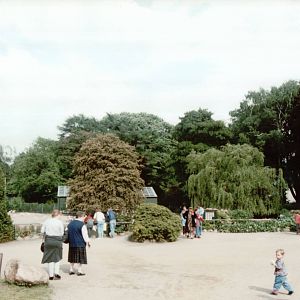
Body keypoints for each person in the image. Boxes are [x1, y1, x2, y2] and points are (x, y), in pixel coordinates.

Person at [41, 209, 64, 280]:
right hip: (57, 241)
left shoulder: (47, 221)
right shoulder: (59, 222)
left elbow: (42, 231)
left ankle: (51, 275)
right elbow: (62, 233)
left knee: (50, 257)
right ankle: (56, 273)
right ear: (58, 215)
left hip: (48, 240)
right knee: (57, 257)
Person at [67, 211, 91, 276]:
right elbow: (85, 235)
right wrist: (88, 242)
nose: (84, 218)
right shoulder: (82, 225)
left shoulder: (70, 224)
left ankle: (71, 269)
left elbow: (66, 233)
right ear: (81, 216)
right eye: (84, 216)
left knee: (72, 257)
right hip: (80, 243)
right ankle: (79, 270)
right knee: (81, 258)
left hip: (72, 243)